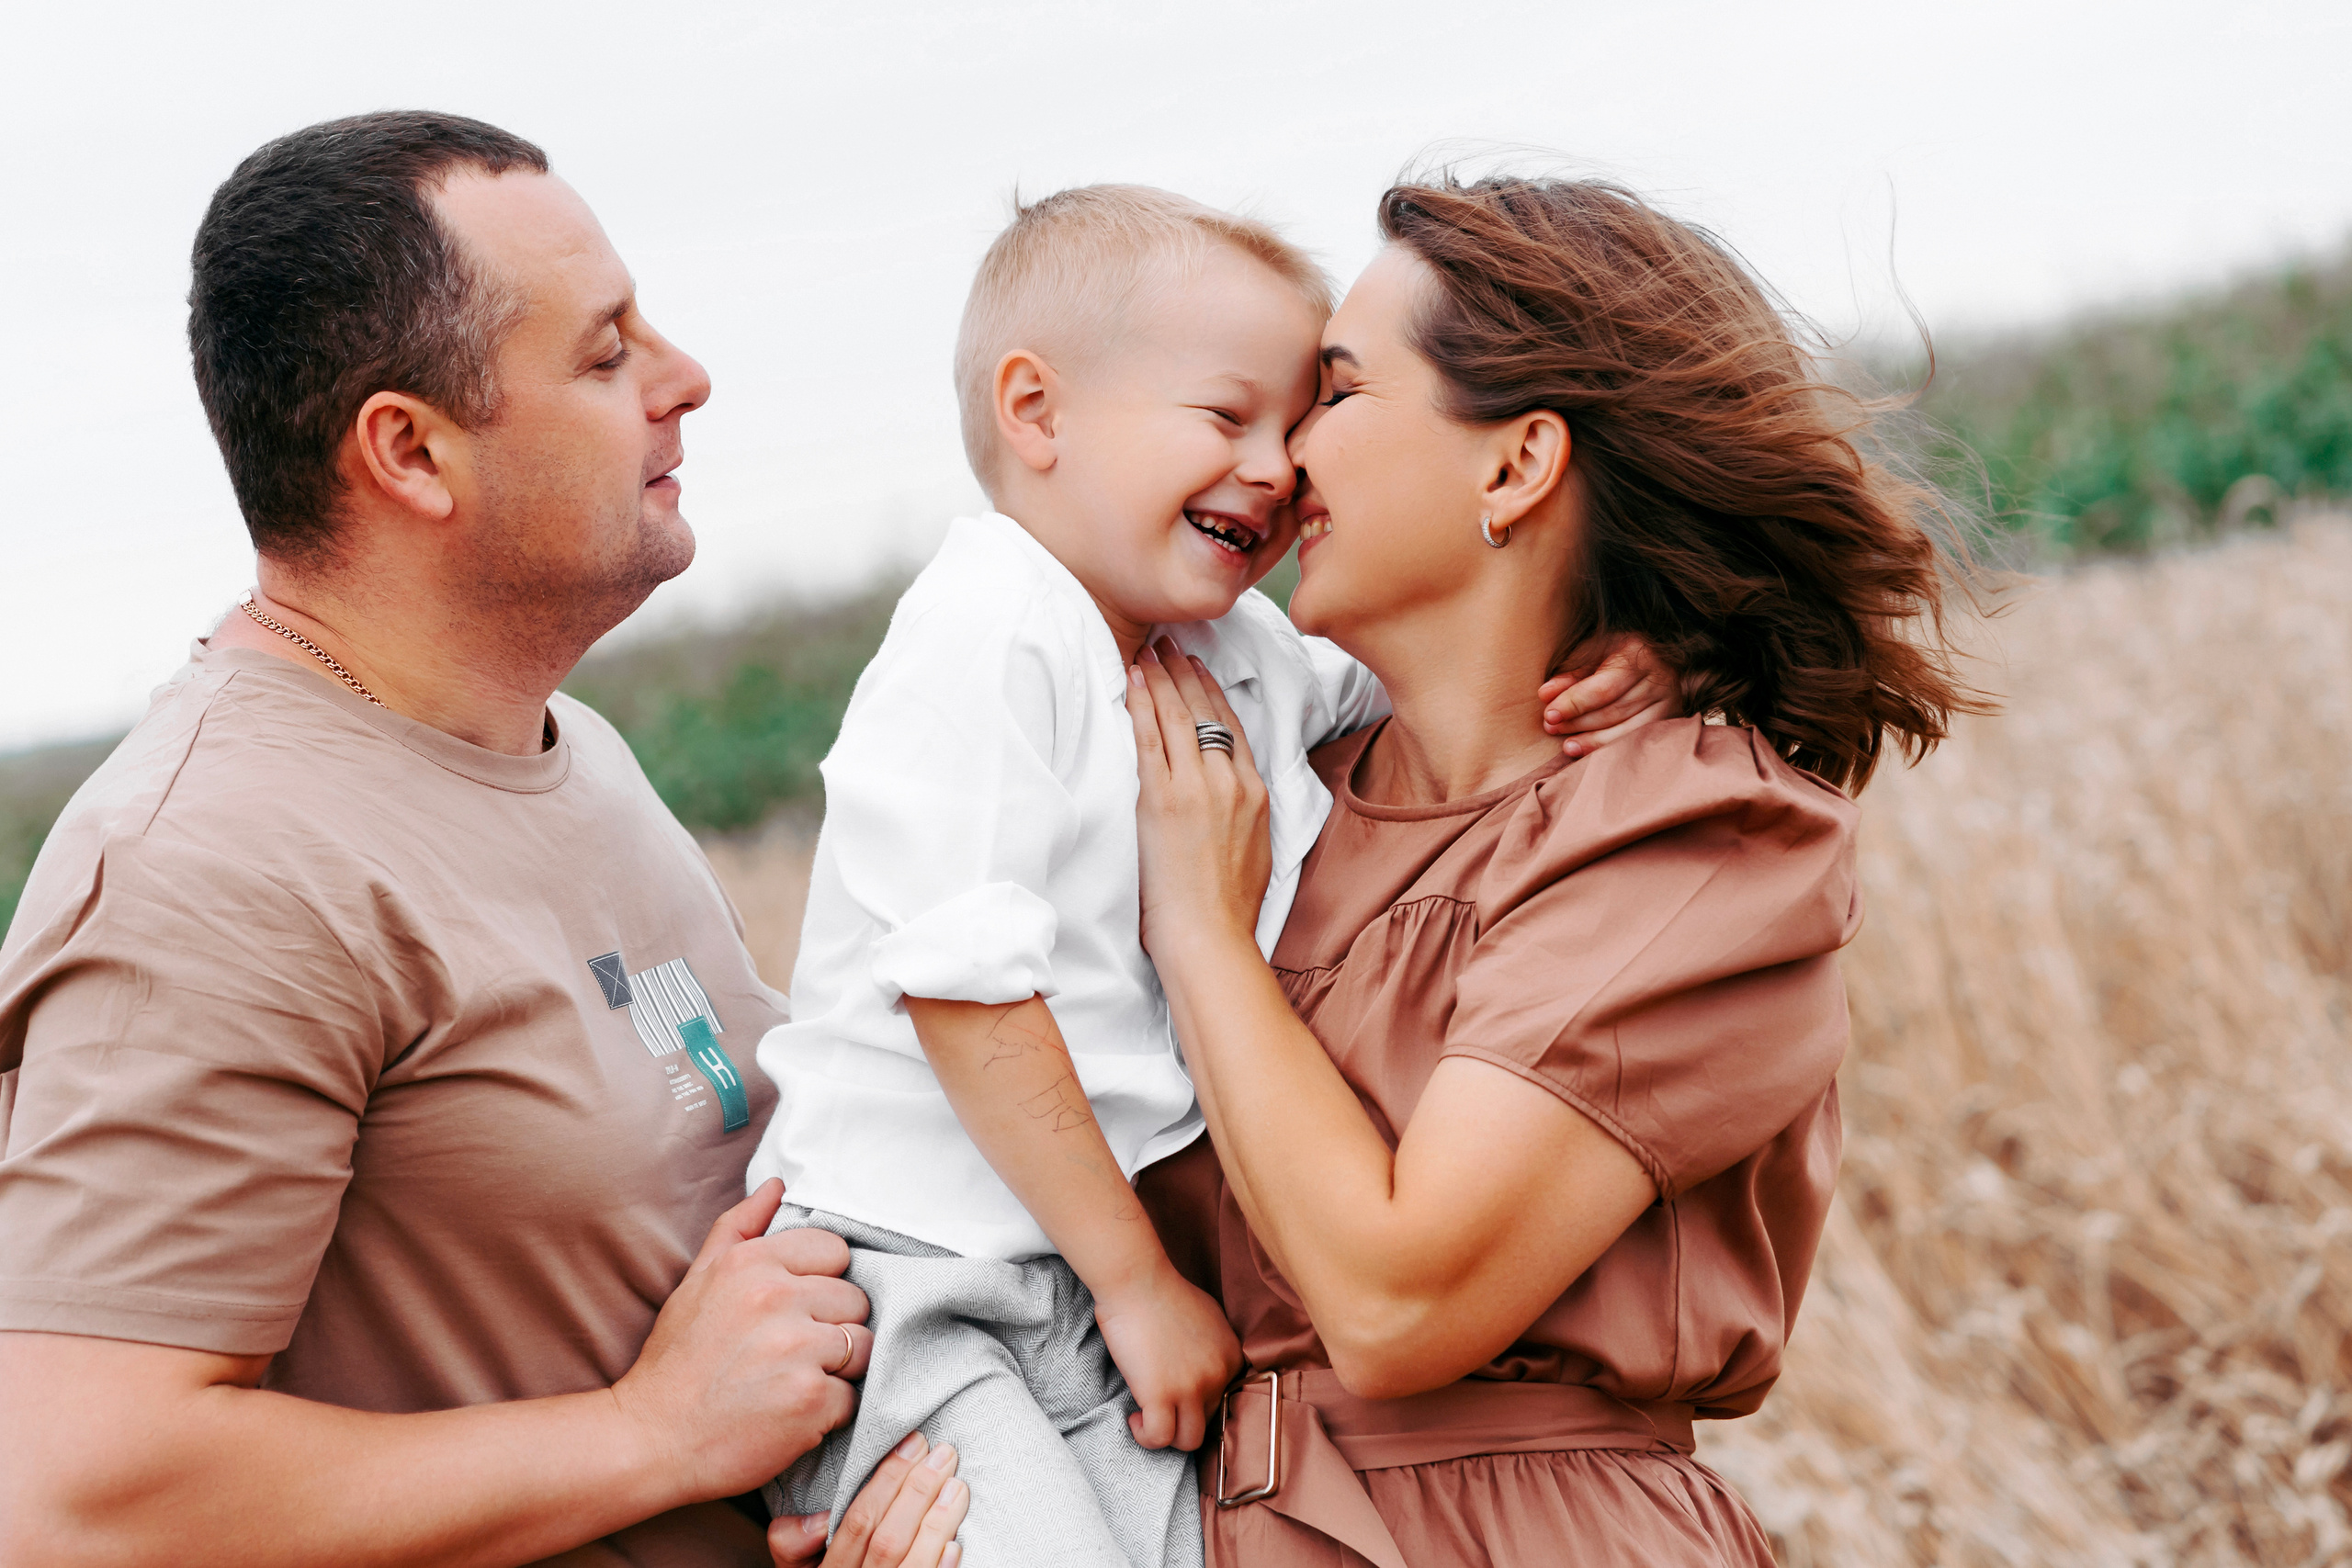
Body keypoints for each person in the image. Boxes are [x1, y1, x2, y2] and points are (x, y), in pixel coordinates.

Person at [0, 112, 965, 1568]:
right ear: (411, 452)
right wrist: (651, 1438)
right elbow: (80, 1495)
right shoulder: (216, 869)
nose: (685, 379)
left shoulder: (570, 747)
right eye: (605, 352)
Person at [747, 186, 1676, 1566]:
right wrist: (1136, 1283)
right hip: (910, 1274)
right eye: (1226, 416)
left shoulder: (1238, 649)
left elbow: (1438, 681)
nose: (1276, 468)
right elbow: (962, 988)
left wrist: (1617, 648)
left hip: (1091, 1276)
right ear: (1036, 412)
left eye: (1299, 425)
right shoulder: (990, 628)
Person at [1125, 173, 1981, 1567]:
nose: (1282, 457)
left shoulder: (1694, 836)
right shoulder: (1259, 795)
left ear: (1515, 467)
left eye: (1337, 395)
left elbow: (1403, 1303)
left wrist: (1207, 944)